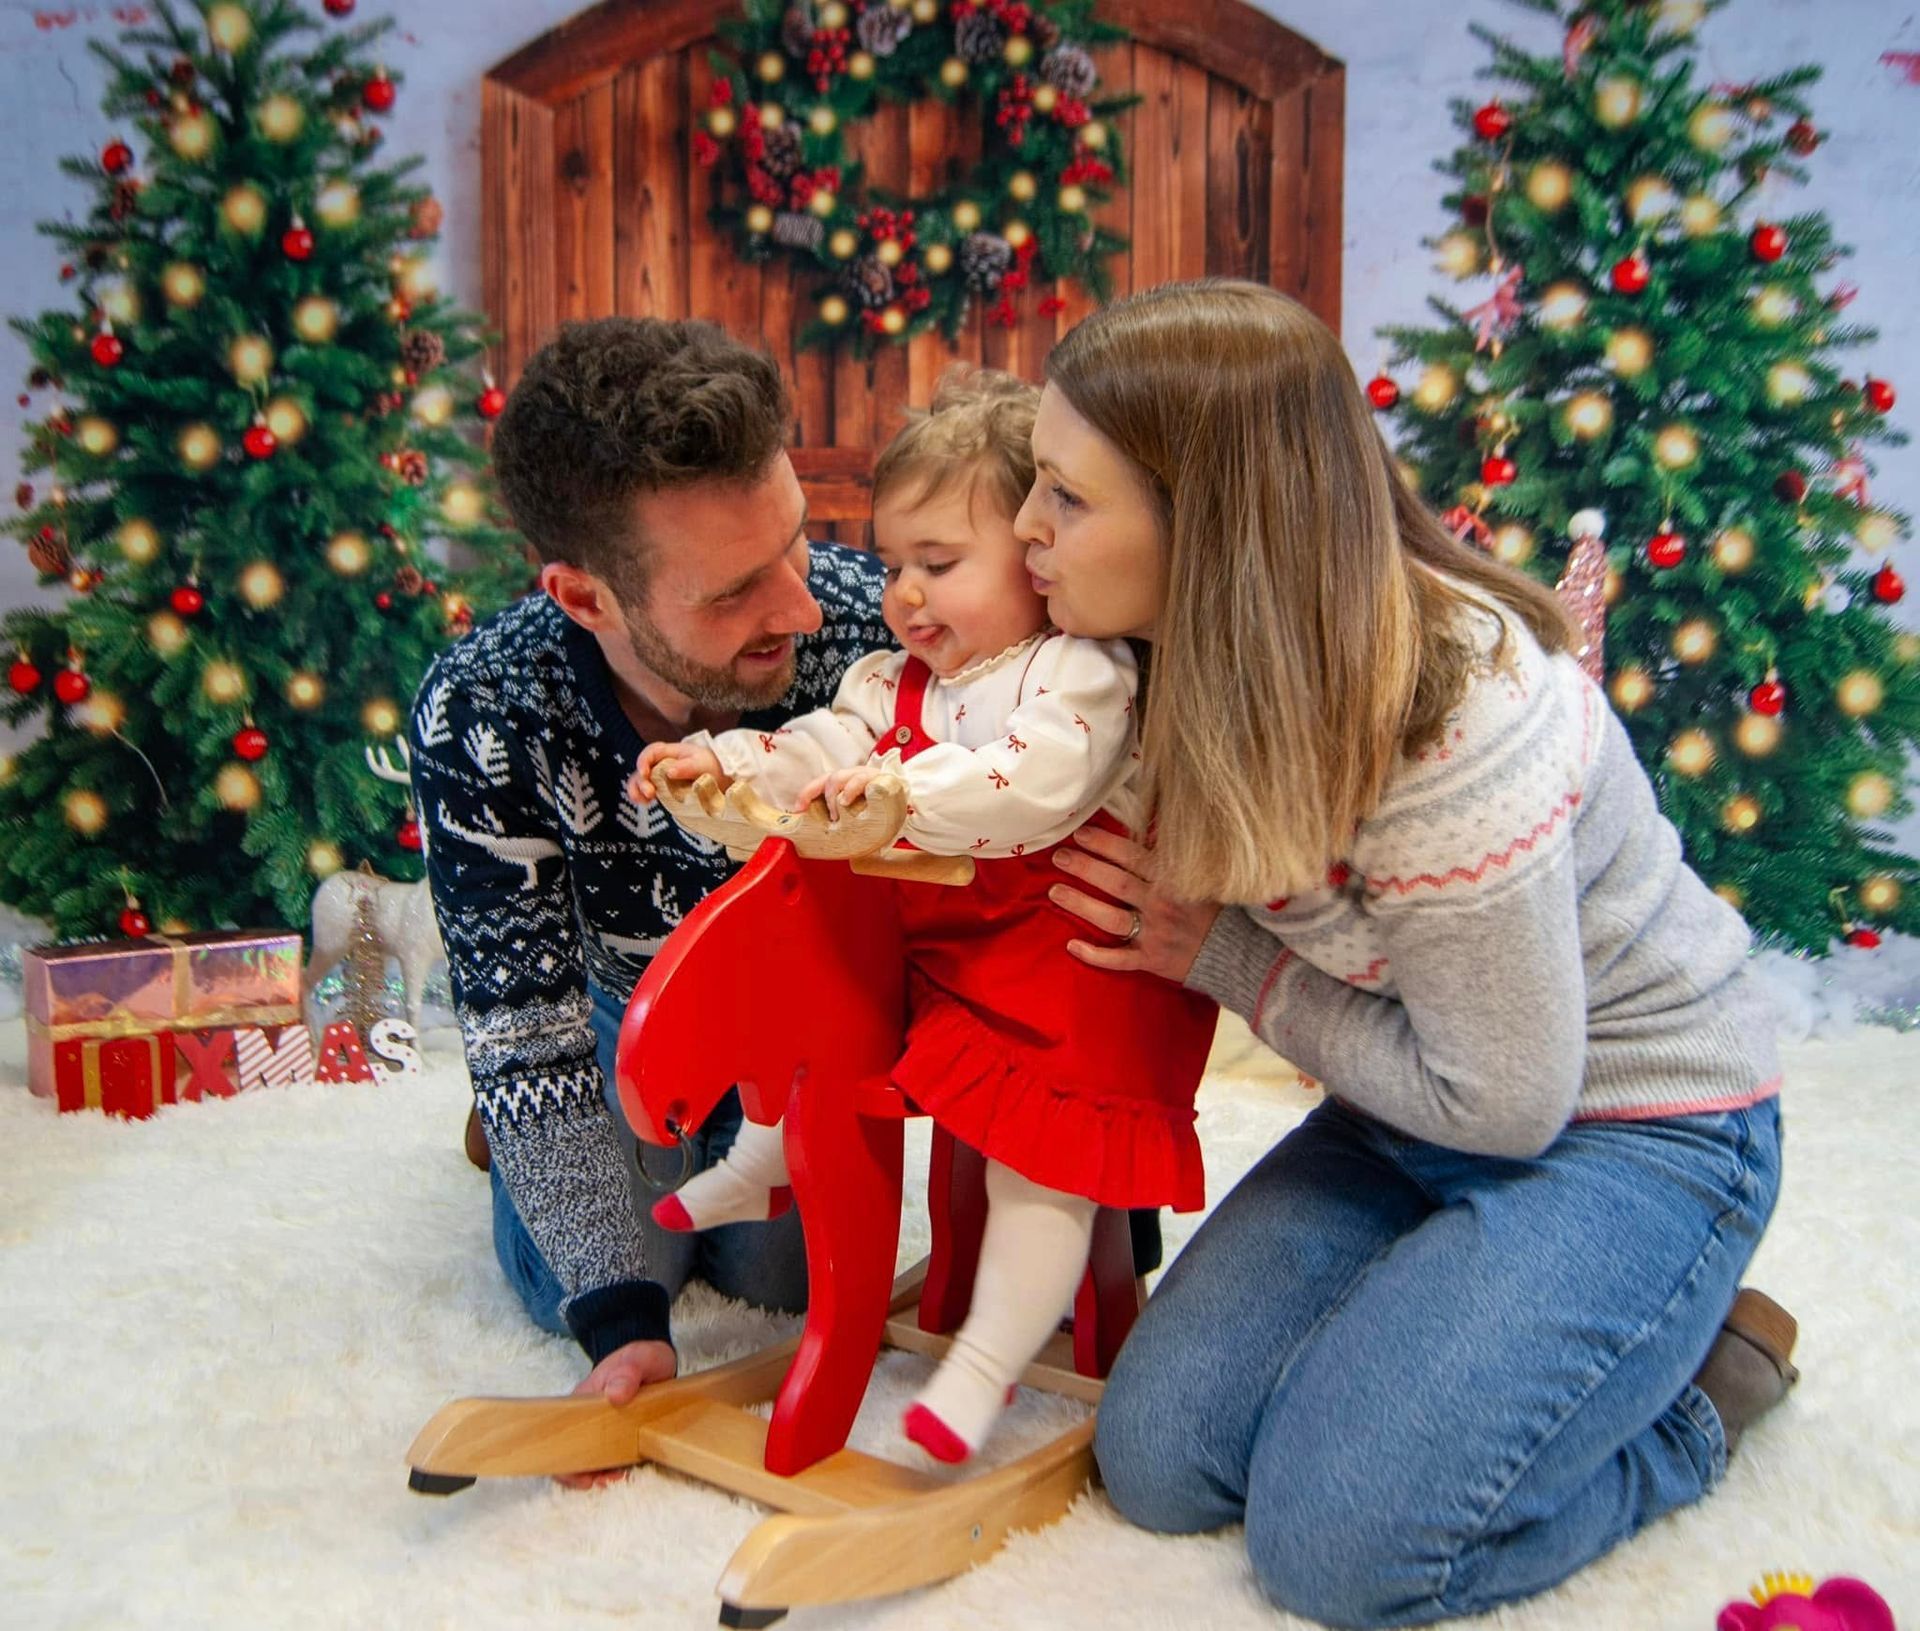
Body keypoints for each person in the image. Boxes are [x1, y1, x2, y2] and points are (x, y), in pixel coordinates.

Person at [1019, 280, 1798, 1627]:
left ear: (1206, 530)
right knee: (1161, 1460)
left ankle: (1700, 1394)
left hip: (1631, 1122)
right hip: (1407, 1100)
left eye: (1066, 498)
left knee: (1347, 1550)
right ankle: (1476, 1326)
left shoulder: (1454, 724)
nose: (1026, 527)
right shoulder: (1152, 656)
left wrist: (1225, 957)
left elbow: (1505, 1104)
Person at [629, 369, 1217, 1463]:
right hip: (946, 967)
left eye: (939, 565)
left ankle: (987, 1364)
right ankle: (766, 1149)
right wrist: (722, 768)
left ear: (1038, 565)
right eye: (896, 563)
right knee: (805, 957)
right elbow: (817, 752)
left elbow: (1038, 779)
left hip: (1074, 982)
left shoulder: (1077, 674)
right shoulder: (891, 678)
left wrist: (906, 799)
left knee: (1035, 1165)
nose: (903, 593)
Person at [408, 317, 890, 1424]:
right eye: (732, 593)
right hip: (617, 1020)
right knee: (594, 1288)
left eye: (799, 542)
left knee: (786, 1277)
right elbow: (525, 1029)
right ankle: (508, 1136)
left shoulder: (869, 632)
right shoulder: (485, 705)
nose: (802, 608)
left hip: (805, 1025)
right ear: (584, 597)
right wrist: (618, 1317)